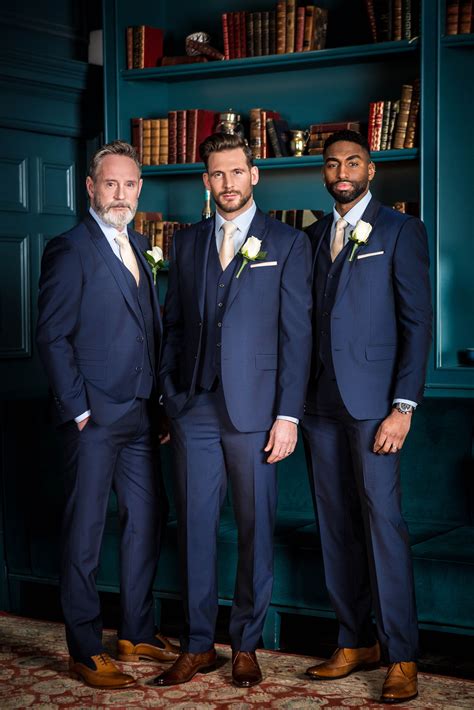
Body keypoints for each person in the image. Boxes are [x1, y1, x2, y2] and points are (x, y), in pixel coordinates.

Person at [153, 132, 312, 688]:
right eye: (217, 174)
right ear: (205, 180)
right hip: (193, 408)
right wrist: (170, 398)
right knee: (194, 528)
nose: (228, 184)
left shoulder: (288, 243)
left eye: (236, 173)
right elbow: (173, 325)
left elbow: (297, 336)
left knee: (253, 529)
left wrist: (288, 416)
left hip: (257, 414)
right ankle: (198, 644)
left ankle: (245, 645)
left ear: (255, 174)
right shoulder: (188, 243)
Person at [36, 140, 179, 689]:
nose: (121, 194)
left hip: (143, 414)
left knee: (147, 519)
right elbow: (51, 334)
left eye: (130, 184)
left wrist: (161, 405)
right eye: (110, 184)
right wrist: (77, 410)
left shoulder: (143, 244)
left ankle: (137, 630)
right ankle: (83, 647)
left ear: (140, 190)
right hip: (93, 418)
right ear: (91, 188)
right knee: (86, 531)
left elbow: (150, 328)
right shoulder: (69, 249)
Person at [301, 130, 432, 704]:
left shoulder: (401, 231)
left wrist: (402, 407)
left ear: (370, 169)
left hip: (376, 407)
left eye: (352, 161)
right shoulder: (308, 237)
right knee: (335, 526)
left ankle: (401, 653)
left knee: (384, 525)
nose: (341, 171)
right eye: (332, 164)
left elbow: (417, 324)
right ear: (324, 174)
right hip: (318, 407)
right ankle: (355, 641)